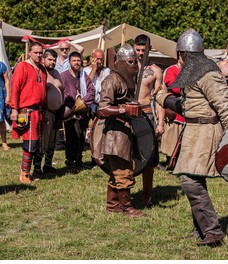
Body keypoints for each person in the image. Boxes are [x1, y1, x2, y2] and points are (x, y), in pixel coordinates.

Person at [154, 29, 228, 246]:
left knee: (190, 181)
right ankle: (202, 229)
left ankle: (212, 231)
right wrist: (163, 97)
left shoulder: (208, 73)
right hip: (192, 131)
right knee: (194, 179)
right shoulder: (194, 72)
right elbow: (188, 106)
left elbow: (225, 108)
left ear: (183, 54)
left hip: (206, 132)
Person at [95, 44, 144, 217]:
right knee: (123, 171)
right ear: (122, 62)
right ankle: (126, 206)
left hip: (125, 131)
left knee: (117, 170)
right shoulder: (112, 80)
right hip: (115, 133)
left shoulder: (125, 81)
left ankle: (113, 204)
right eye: (131, 62)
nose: (134, 66)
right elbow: (101, 110)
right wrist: (123, 110)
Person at [134, 34, 165, 207]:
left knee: (148, 157)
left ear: (149, 49)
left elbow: (159, 99)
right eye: (137, 49)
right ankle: (124, 191)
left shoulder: (156, 71)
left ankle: (147, 195)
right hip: (128, 114)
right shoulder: (126, 67)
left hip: (147, 114)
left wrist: (160, 123)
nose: (140, 53)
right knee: (126, 155)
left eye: (143, 50)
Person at [9, 42, 47, 184]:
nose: (38, 55)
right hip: (27, 112)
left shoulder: (42, 69)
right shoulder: (23, 67)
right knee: (30, 143)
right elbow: (15, 88)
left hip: (40, 111)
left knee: (38, 144)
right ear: (29, 53)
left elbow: (43, 91)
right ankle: (24, 173)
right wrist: (14, 108)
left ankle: (33, 171)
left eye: (40, 52)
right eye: (36, 52)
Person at [60, 52, 95, 174]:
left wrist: (82, 102)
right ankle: (70, 161)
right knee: (71, 137)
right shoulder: (63, 76)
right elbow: (61, 92)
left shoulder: (84, 76)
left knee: (81, 137)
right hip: (70, 112)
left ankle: (78, 160)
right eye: (74, 60)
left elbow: (92, 91)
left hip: (83, 111)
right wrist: (72, 104)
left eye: (78, 61)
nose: (76, 63)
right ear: (69, 62)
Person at [33, 49, 64, 177]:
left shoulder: (56, 73)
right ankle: (36, 169)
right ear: (43, 59)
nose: (52, 62)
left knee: (53, 140)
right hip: (46, 111)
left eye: (54, 60)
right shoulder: (40, 73)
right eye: (50, 59)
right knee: (43, 141)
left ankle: (48, 165)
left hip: (57, 112)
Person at [159, 52, 185, 167]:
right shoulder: (171, 70)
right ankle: (170, 161)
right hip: (174, 108)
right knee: (172, 138)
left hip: (188, 109)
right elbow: (173, 86)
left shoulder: (191, 71)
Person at [0, 60, 11, 151]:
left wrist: (8, 95)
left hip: (0, 96)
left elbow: (7, 80)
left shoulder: (1, 65)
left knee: (1, 120)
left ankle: (4, 143)